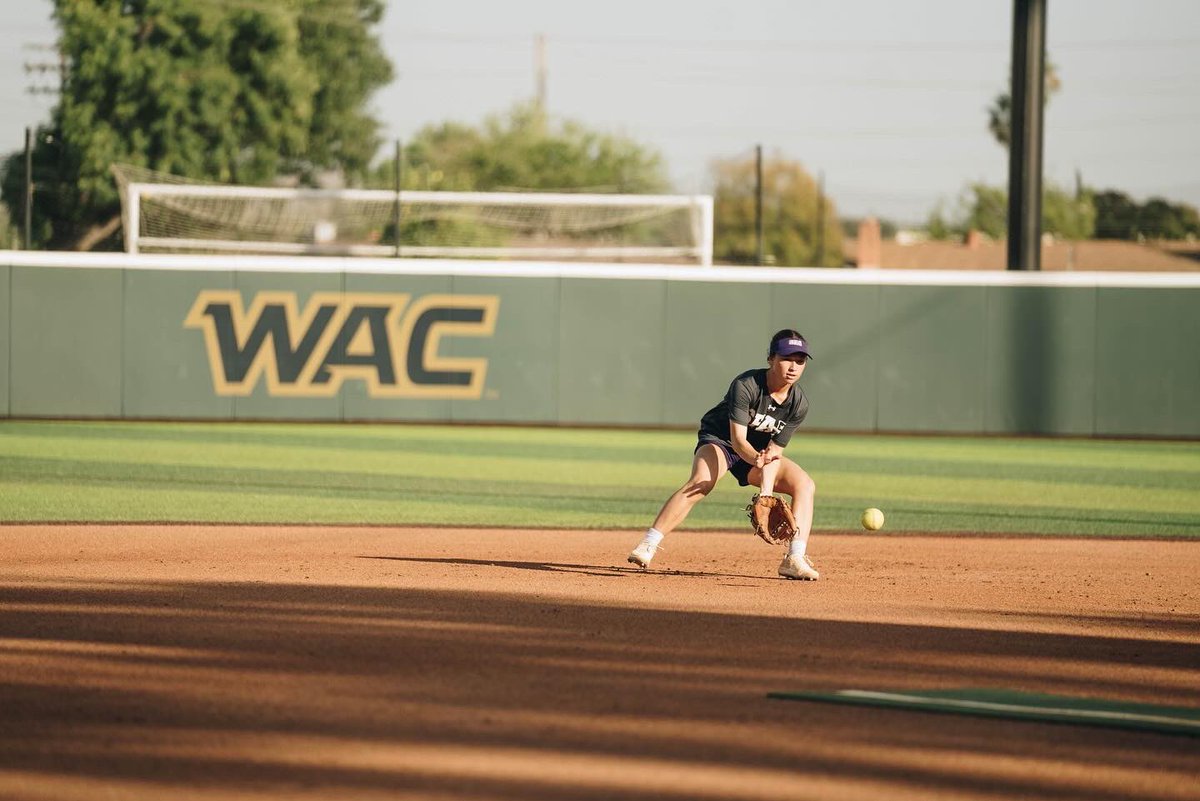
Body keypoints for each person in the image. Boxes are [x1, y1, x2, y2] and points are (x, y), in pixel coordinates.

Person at [627, 329, 819, 580]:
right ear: (771, 359)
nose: (793, 366)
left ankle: (794, 558)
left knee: (805, 484)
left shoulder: (798, 404)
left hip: (760, 455)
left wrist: (767, 494)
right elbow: (738, 441)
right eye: (786, 358)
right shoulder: (747, 385)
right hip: (722, 441)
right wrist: (756, 461)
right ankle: (648, 544)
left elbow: (774, 453)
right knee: (702, 482)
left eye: (800, 361)